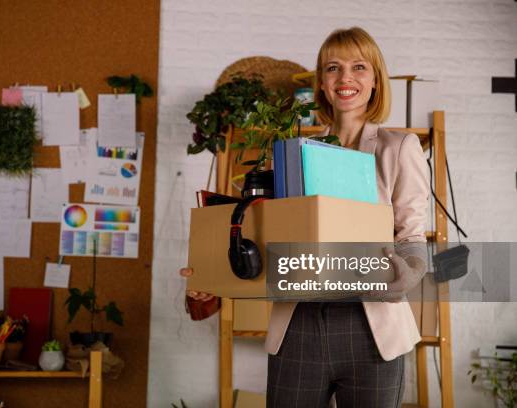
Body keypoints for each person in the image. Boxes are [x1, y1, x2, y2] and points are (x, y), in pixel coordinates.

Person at [181, 27, 429, 408]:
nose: (345, 78)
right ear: (322, 84)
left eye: (359, 67)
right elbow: (268, 240)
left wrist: (406, 273)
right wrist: (214, 273)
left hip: (373, 330)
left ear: (376, 79)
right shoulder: (290, 155)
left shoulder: (399, 148)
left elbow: (412, 237)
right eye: (333, 68)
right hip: (298, 326)